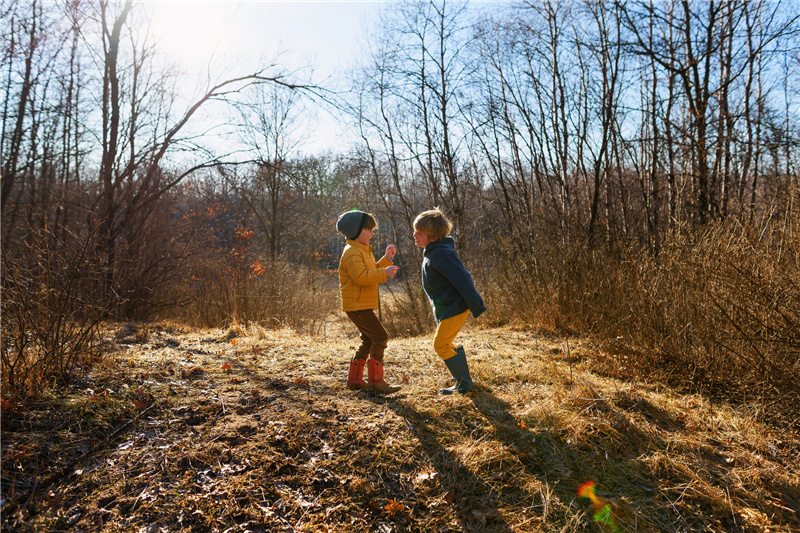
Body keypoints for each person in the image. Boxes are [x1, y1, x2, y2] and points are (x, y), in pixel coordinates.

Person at [413, 208, 486, 394]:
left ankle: (464, 384)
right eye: (415, 230)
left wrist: (476, 304)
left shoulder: (442, 254)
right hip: (448, 307)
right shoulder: (432, 251)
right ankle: (461, 374)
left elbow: (463, 279)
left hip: (456, 307)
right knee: (446, 342)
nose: (414, 235)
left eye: (419, 233)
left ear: (433, 237)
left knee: (441, 344)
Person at [337, 210, 401, 394]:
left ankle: (355, 380)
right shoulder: (351, 253)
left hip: (361, 305)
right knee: (380, 337)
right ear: (357, 231)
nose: (372, 233)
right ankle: (376, 382)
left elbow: (371, 270)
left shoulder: (361, 251)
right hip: (357, 306)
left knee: (368, 340)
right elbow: (362, 277)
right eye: (369, 229)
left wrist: (386, 260)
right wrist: (384, 273)